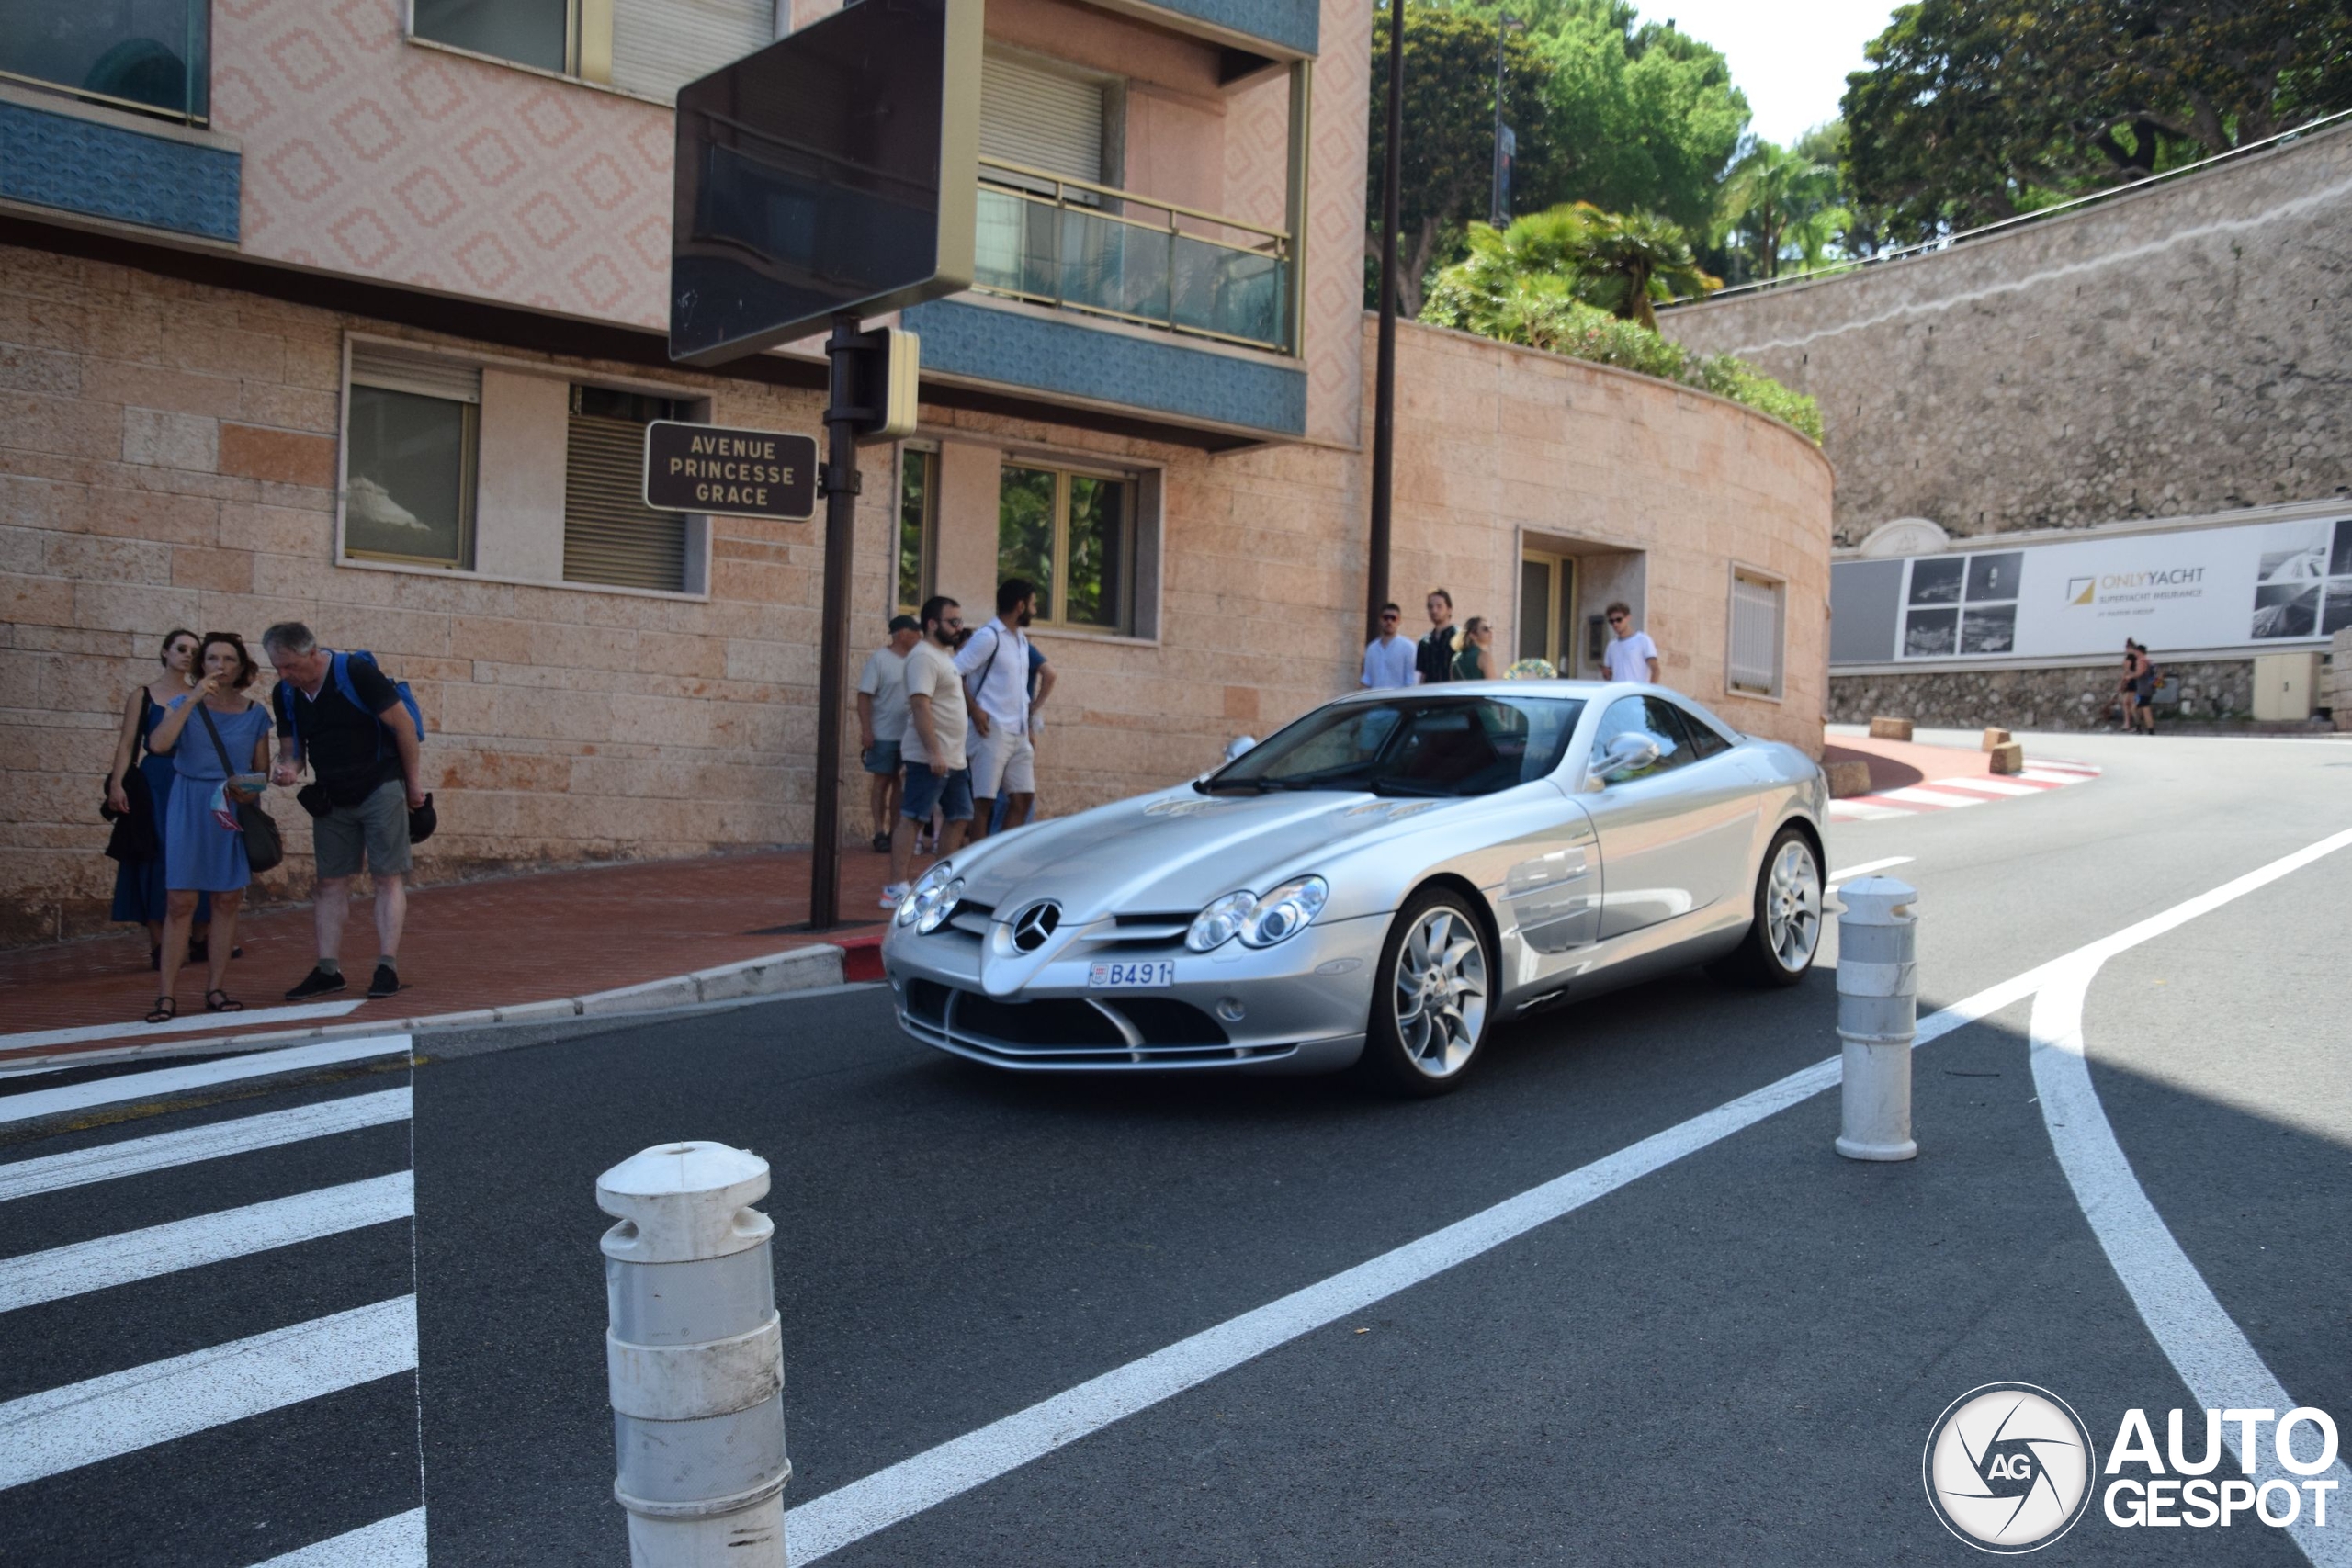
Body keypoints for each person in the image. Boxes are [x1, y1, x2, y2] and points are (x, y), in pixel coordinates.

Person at [263, 623, 426, 1003]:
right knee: (330, 882)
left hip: (380, 785)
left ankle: (386, 966)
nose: (284, 676)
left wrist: (413, 785)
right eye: (277, 667)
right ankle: (327, 970)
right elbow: (293, 750)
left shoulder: (354, 672)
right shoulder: (285, 693)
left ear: (312, 653)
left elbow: (403, 725)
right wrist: (287, 768)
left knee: (387, 876)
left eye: (289, 666)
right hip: (332, 795)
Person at [142, 632, 273, 1021]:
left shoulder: (255, 714)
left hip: (227, 808)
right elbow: (159, 745)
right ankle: (166, 995)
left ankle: (215, 987)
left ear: (241, 667)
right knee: (180, 901)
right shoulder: (183, 703)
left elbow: (261, 771)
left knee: (226, 900)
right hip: (188, 802)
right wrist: (194, 698)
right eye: (212, 658)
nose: (220, 665)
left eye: (229, 659)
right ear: (202, 666)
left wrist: (247, 789)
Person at [105, 627, 213, 969]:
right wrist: (117, 784)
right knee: (155, 856)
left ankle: (200, 938)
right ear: (165, 652)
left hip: (192, 780)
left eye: (194, 651)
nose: (187, 655)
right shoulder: (144, 695)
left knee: (198, 854)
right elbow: (127, 743)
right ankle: (158, 945)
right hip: (154, 783)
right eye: (180, 648)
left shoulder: (202, 695)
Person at [883, 596, 973, 908]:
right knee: (913, 818)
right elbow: (921, 705)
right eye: (953, 622)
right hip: (930, 756)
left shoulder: (944, 656)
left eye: (960, 621)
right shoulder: (923, 657)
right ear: (933, 624)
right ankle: (895, 888)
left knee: (960, 816)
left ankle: (939, 884)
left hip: (954, 757)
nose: (959, 627)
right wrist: (934, 752)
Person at [956, 578, 1046, 842]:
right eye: (1033, 604)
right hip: (991, 730)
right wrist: (974, 710)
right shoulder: (988, 636)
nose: (1035, 610)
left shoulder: (1020, 639)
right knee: (983, 802)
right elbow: (954, 671)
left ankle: (997, 855)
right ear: (1020, 606)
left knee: (1023, 798)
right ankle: (976, 864)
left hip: (1017, 732)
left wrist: (1027, 725)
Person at [857, 615, 922, 852]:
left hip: (909, 735)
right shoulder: (879, 660)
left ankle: (896, 831)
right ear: (902, 634)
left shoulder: (918, 659)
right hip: (883, 734)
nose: (919, 637)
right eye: (915, 632)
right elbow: (864, 695)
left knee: (900, 784)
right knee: (881, 782)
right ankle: (878, 831)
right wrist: (866, 730)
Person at [989, 639, 1055, 833]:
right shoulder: (1011, 646)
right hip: (1012, 726)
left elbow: (1050, 673)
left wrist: (1034, 707)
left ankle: (1003, 838)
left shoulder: (1020, 647)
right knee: (1019, 789)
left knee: (1009, 791)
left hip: (1009, 727)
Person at [1602, 602, 1660, 683]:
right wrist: (1606, 674)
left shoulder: (1643, 640)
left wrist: (1648, 692)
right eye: (1612, 621)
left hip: (1637, 693)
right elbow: (1609, 676)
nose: (1615, 624)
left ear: (1628, 618)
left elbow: (1655, 669)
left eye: (1619, 620)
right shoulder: (1611, 646)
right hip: (1618, 693)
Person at [1361, 604, 1414, 689]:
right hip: (1376, 699)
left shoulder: (1408, 647)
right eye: (1386, 618)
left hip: (1399, 700)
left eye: (1393, 618)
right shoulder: (1371, 649)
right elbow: (1366, 680)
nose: (1389, 621)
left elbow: (1411, 681)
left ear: (1399, 621)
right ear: (1380, 620)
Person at [1415, 589, 1459, 685]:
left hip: (1453, 694)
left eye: (1439, 606)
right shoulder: (1424, 641)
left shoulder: (1459, 637)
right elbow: (1422, 674)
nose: (1434, 610)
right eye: (1430, 607)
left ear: (1449, 609)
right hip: (1430, 695)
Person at [1452, 616, 1498, 682]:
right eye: (1485, 629)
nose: (1490, 632)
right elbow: (1492, 686)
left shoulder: (1455, 659)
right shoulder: (1484, 656)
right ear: (1473, 635)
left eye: (1491, 628)